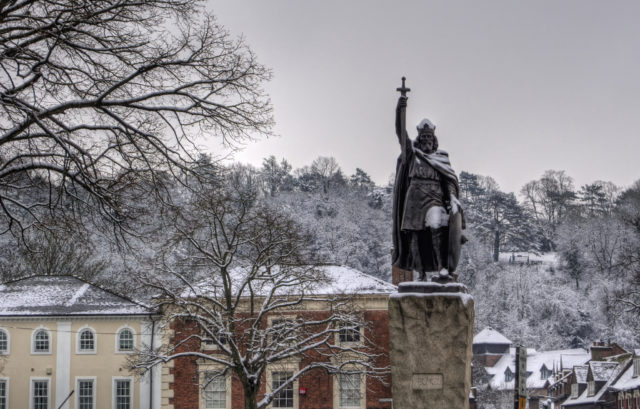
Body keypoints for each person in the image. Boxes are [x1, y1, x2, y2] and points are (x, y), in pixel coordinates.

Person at [392, 95, 464, 281]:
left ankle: (442, 268)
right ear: (419, 139)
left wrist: (453, 197)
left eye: (429, 137)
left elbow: (449, 180)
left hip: (435, 197)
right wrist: (400, 110)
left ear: (434, 139)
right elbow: (401, 134)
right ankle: (421, 274)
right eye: (423, 137)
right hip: (414, 198)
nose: (426, 140)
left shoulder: (442, 157)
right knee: (415, 236)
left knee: (437, 228)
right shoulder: (412, 154)